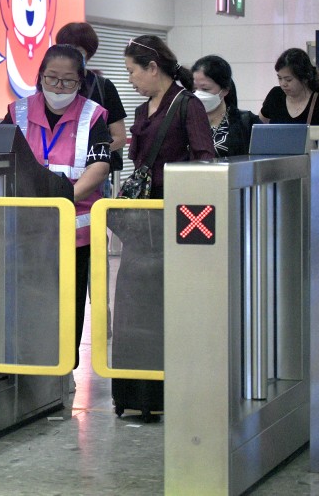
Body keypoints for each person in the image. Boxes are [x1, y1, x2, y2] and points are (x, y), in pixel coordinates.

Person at [113, 35, 215, 421]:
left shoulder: (186, 106)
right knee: (132, 307)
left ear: (153, 68)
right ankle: (134, 395)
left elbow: (205, 161)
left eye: (132, 71)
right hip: (142, 226)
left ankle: (174, 393)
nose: (131, 79)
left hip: (174, 224)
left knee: (168, 307)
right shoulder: (142, 111)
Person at [1, 44, 111, 370]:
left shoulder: (93, 115)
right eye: (51, 79)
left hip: (73, 229)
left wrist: (65, 200)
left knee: (68, 304)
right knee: (28, 301)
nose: (58, 88)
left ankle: (64, 371)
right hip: (26, 228)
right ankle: (29, 368)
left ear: (81, 81)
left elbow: (99, 167)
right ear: (40, 77)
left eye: (67, 81)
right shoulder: (17, 112)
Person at [54, 22, 128, 178]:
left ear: (88, 53)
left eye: (78, 51)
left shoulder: (104, 87)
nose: (71, 56)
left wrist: (88, 155)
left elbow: (120, 138)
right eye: (66, 49)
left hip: (95, 175)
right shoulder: (51, 85)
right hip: (55, 171)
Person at [260, 48, 319, 128]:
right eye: (280, 78)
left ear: (304, 78)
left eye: (288, 80)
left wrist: (316, 134)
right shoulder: (275, 95)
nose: (283, 84)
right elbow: (257, 127)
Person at [192, 55, 260, 157]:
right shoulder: (185, 121)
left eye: (205, 89)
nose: (199, 94)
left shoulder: (246, 122)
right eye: (195, 89)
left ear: (225, 90)